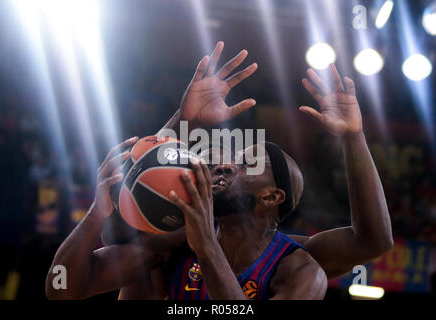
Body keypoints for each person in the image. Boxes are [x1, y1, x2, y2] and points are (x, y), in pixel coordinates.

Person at [46, 42, 393, 300]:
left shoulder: (299, 269)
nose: (225, 162)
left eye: (248, 163)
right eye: (234, 155)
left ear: (271, 196)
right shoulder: (173, 244)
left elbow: (373, 241)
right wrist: (98, 211)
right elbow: (60, 287)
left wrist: (353, 137)